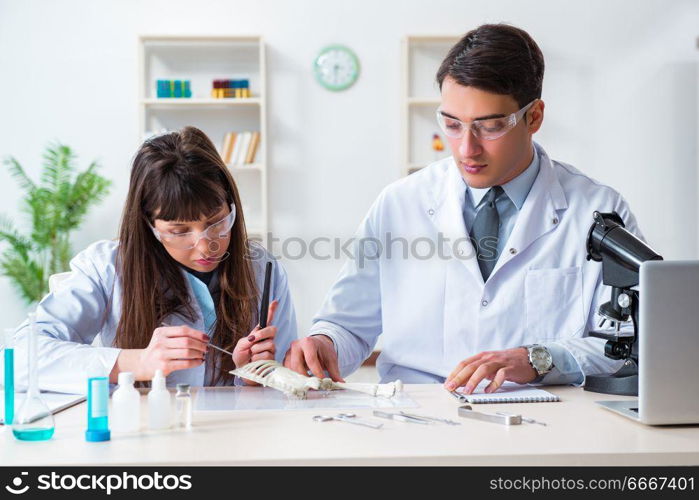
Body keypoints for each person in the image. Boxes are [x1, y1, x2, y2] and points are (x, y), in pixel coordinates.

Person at [283, 24, 644, 394]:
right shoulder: (400, 203)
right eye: (452, 124)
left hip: (544, 418)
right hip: (419, 415)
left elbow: (627, 344)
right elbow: (347, 324)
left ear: (533, 117)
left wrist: (538, 359)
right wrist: (323, 344)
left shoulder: (598, 211)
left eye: (490, 127)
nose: (466, 149)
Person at [12, 126, 297, 394]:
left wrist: (252, 378)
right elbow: (20, 358)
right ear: (149, 225)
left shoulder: (262, 269)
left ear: (231, 204)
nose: (204, 246)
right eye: (179, 231)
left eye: (217, 222)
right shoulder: (106, 267)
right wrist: (135, 362)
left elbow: (288, 389)